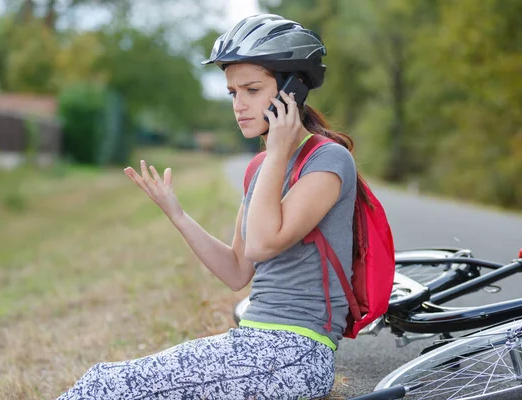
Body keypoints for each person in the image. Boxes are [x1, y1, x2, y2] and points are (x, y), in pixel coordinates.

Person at [57, 14, 367, 400]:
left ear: (292, 89)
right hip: (257, 344)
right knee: (105, 382)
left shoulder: (328, 160)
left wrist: (276, 152)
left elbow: (261, 245)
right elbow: (238, 270)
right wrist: (177, 214)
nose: (239, 105)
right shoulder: (260, 168)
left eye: (251, 90)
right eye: (232, 93)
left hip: (296, 355)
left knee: (107, 385)